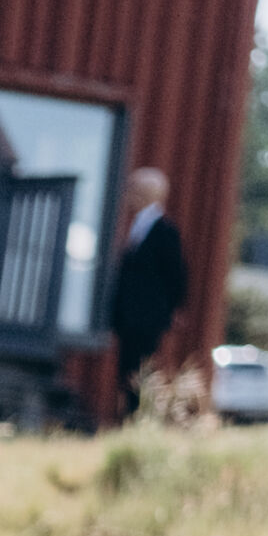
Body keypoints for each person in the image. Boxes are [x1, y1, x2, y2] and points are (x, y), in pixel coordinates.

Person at [109, 167, 188, 414]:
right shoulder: (137, 226)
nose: (127, 194)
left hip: (147, 316)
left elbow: (176, 274)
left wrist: (174, 309)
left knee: (140, 369)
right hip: (129, 315)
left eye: (132, 189)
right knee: (127, 368)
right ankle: (127, 415)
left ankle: (137, 415)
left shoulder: (165, 230)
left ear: (145, 194)